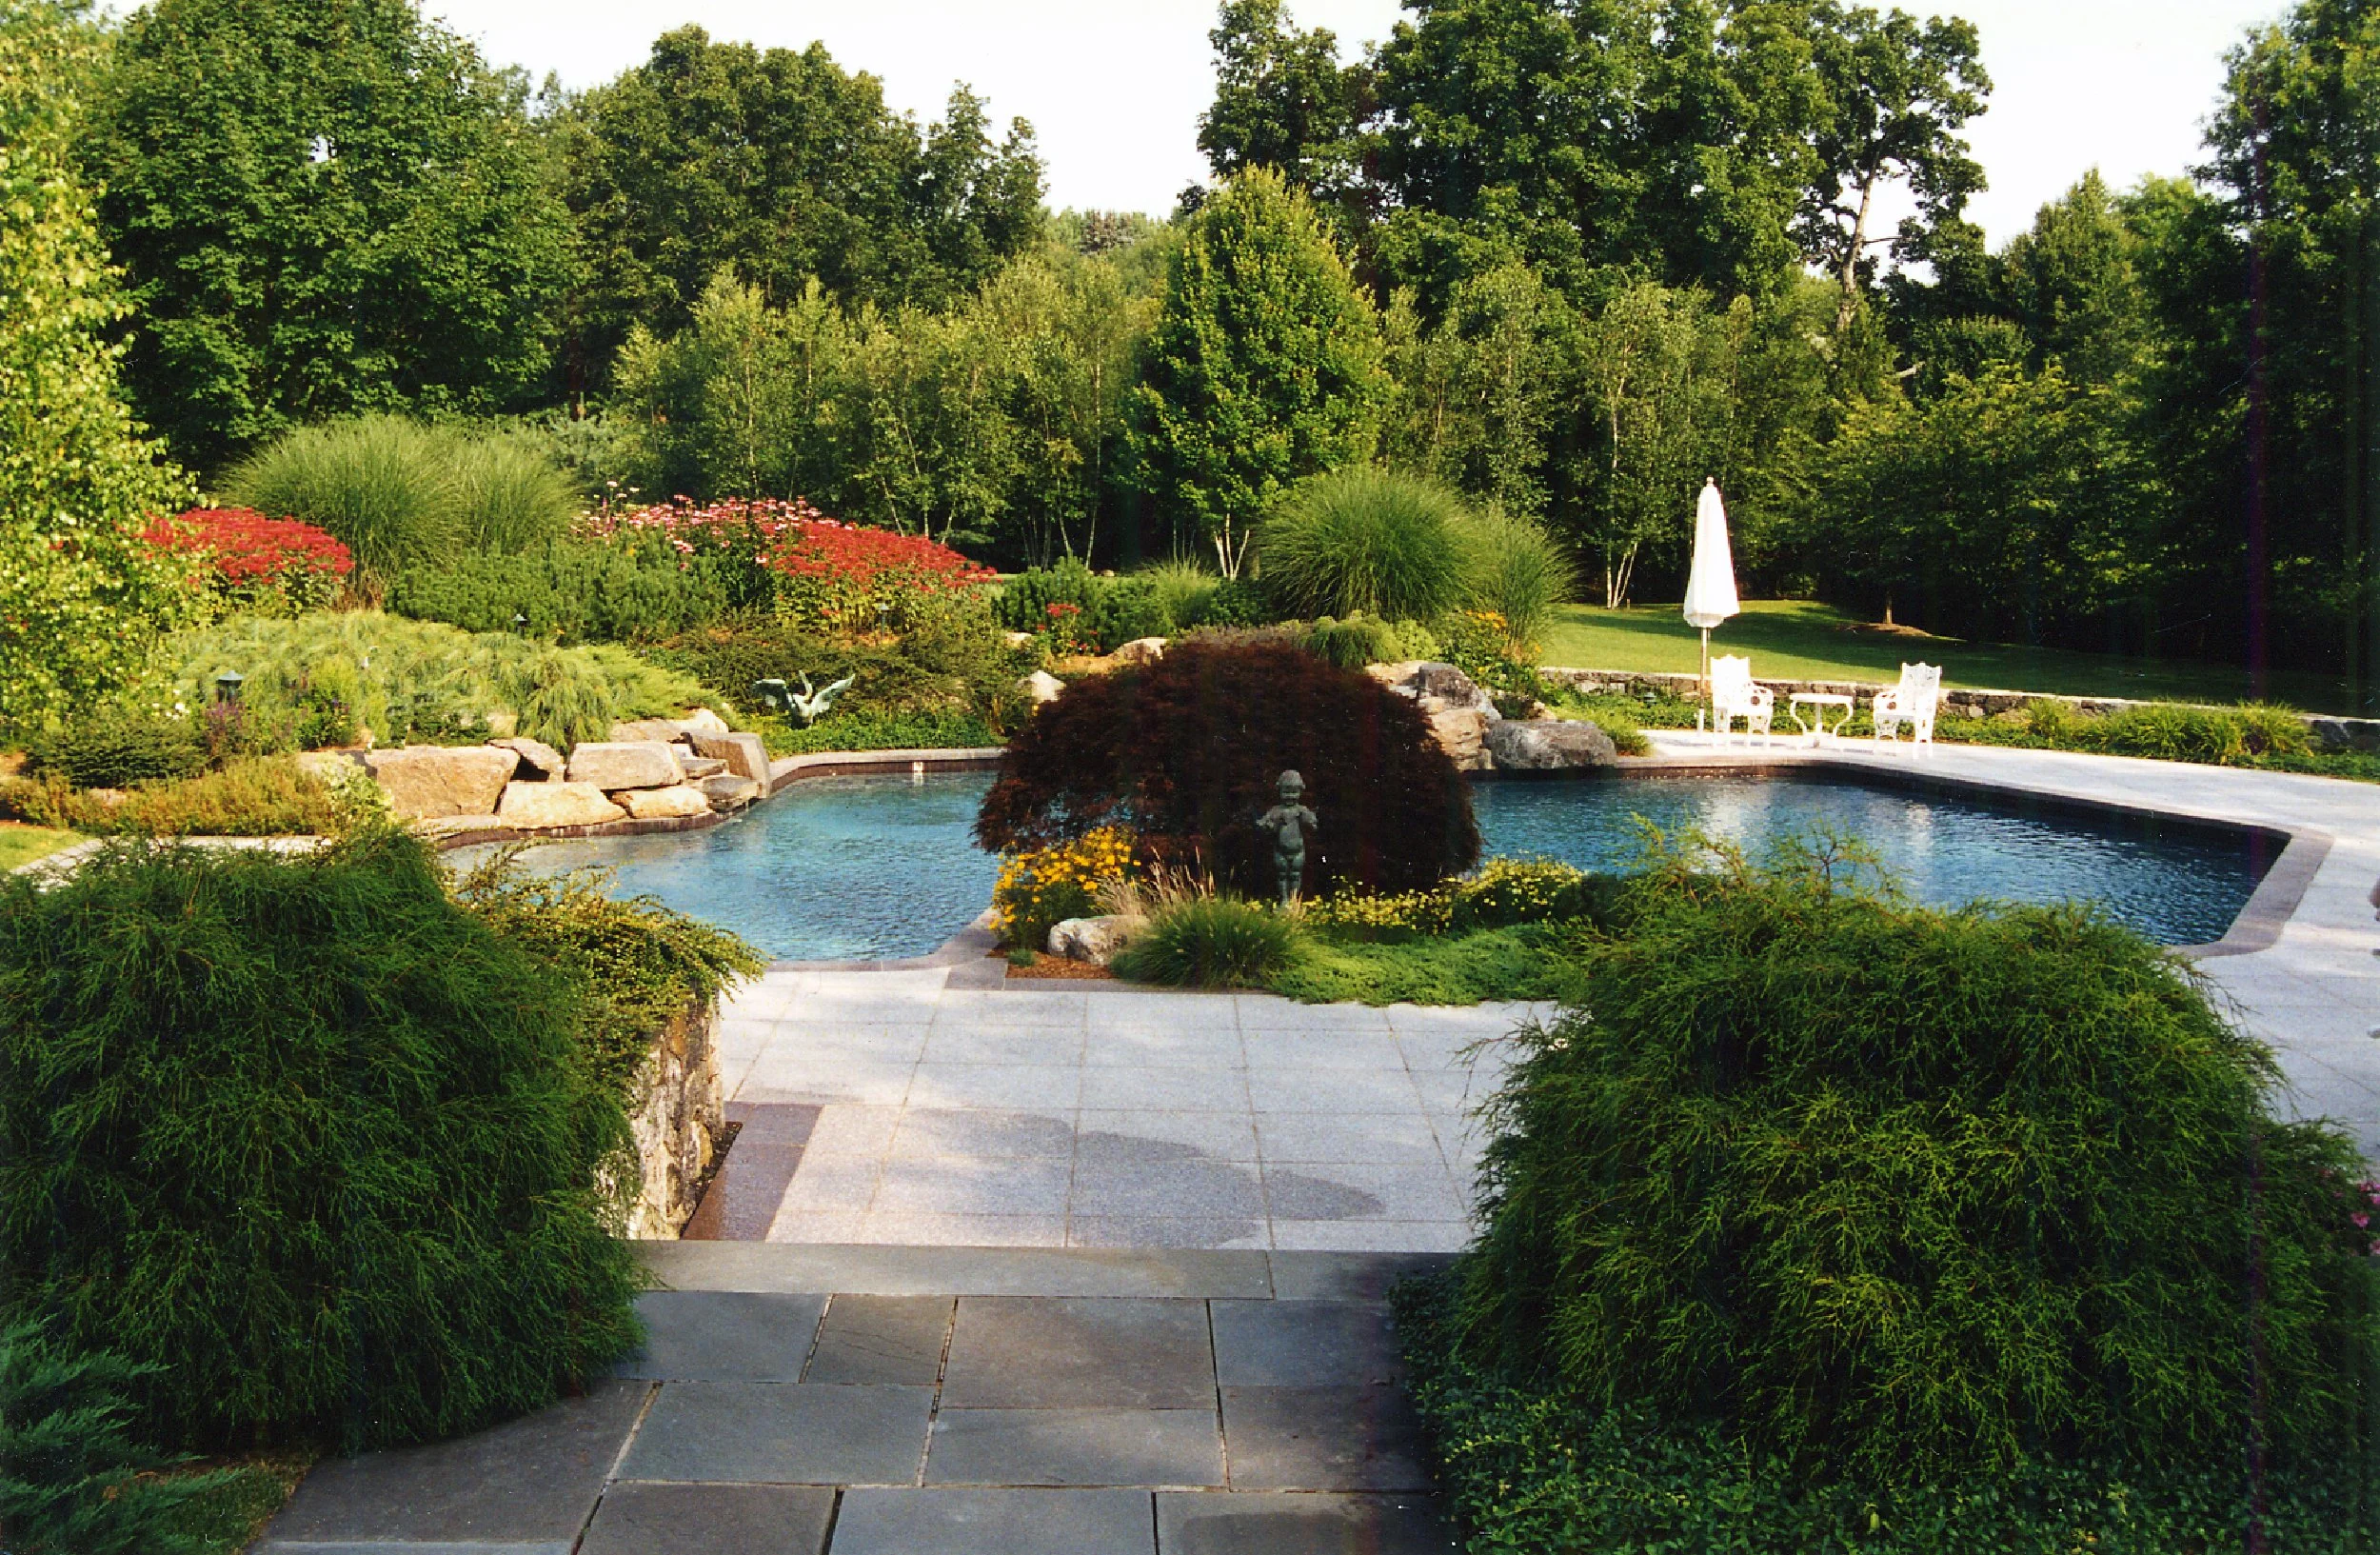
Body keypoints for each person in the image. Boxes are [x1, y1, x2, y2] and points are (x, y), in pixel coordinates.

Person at [1255, 769, 1318, 905]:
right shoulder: (1276, 811)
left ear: (1300, 791)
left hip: (1298, 851)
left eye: (1294, 792)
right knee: (1282, 874)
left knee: (1295, 874)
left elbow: (1313, 824)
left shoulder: (1301, 810)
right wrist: (1268, 825)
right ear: (1280, 791)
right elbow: (1264, 823)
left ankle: (1294, 899)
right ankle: (1284, 899)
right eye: (1286, 792)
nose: (1290, 796)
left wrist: (1309, 821)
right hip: (1280, 851)